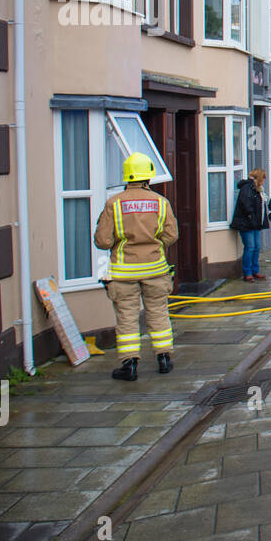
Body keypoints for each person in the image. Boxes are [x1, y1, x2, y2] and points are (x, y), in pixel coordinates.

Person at [93, 152, 180, 381]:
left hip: (123, 272)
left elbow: (102, 241)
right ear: (149, 176)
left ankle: (129, 364)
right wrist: (154, 243)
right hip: (155, 268)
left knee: (127, 317)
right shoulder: (161, 203)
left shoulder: (113, 203)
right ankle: (163, 359)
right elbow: (172, 235)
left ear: (127, 176)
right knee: (159, 313)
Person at [230, 168, 267, 282]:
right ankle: (248, 272)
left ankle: (255, 270)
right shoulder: (247, 188)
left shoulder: (256, 189)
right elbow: (246, 205)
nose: (264, 181)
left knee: (256, 247)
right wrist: (252, 217)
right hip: (246, 223)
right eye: (263, 179)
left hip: (255, 223)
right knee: (250, 247)